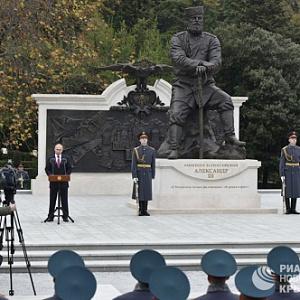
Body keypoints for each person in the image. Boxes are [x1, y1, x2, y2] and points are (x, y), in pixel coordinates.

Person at [167, 5, 245, 159]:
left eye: (199, 19)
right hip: (184, 84)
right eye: (193, 19)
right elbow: (178, 59)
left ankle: (229, 137)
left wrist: (208, 67)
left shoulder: (212, 39)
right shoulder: (178, 38)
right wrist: (201, 64)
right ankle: (175, 148)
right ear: (188, 21)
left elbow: (216, 61)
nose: (197, 21)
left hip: (205, 84)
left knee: (226, 101)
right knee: (176, 113)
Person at [45, 143, 72, 222]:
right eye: (57, 149)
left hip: (63, 182)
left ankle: (65, 215)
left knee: (64, 199)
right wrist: (50, 175)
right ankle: (50, 216)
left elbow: (69, 168)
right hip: (53, 182)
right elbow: (47, 169)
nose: (58, 151)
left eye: (60, 150)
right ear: (54, 149)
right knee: (52, 199)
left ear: (62, 150)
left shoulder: (66, 158)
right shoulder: (50, 158)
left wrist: (66, 175)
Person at [131, 132, 156, 216]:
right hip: (139, 173)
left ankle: (145, 210)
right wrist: (134, 175)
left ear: (147, 140)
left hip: (148, 173)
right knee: (140, 192)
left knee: (147, 192)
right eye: (142, 138)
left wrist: (153, 175)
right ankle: (141, 209)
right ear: (140, 140)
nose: (144, 140)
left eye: (145, 138)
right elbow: (134, 164)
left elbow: (153, 163)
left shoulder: (152, 150)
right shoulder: (136, 150)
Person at [279, 131, 300, 214]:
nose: (294, 140)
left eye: (295, 139)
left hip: (296, 171)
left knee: (295, 189)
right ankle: (288, 208)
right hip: (287, 171)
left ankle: (293, 208)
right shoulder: (285, 149)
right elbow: (282, 162)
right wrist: (282, 174)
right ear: (289, 140)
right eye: (292, 139)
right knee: (287, 190)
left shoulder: (298, 149)